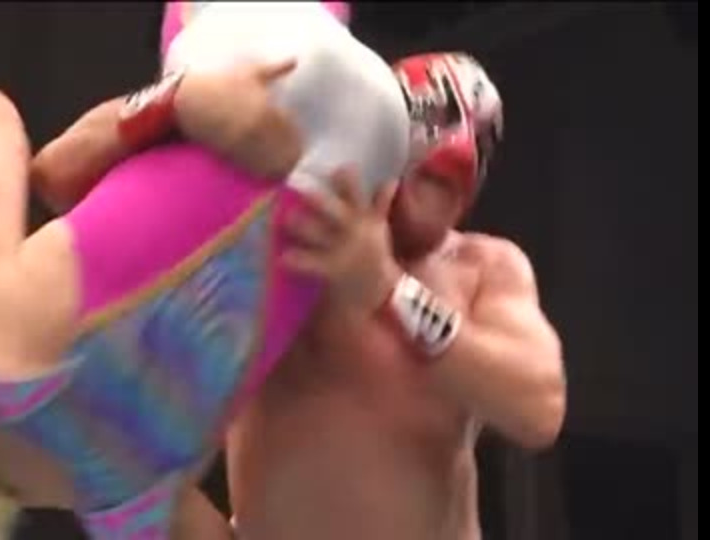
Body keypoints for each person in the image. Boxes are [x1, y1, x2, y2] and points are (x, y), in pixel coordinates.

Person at [0, 3, 410, 539]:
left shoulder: (124, 502)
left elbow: (54, 169)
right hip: (273, 76)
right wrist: (174, 98)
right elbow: (29, 151)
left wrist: (178, 99)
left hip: (358, 153)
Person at [224, 52, 567, 540]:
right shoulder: (289, 237)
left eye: (447, 183)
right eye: (426, 175)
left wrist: (388, 291)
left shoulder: (481, 268)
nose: (431, 198)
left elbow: (539, 408)